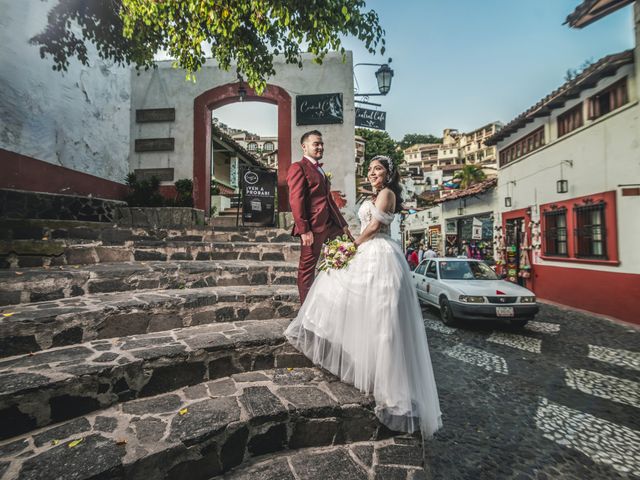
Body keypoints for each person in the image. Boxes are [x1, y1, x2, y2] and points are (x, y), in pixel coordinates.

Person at [285, 155, 442, 440]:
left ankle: (394, 391)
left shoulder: (388, 194)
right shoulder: (374, 194)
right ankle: (362, 361)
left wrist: (350, 247)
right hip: (367, 251)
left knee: (383, 321)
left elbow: (372, 229)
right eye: (369, 170)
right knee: (343, 292)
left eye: (377, 169)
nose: (372, 173)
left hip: (380, 255)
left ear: (388, 174)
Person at [286, 130, 352, 304]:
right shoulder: (298, 167)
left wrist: (343, 225)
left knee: (347, 254)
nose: (320, 147)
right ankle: (306, 312)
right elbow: (296, 200)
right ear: (304, 146)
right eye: (316, 144)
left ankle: (338, 300)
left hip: (331, 225)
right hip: (313, 228)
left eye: (321, 144)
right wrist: (304, 230)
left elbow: (329, 200)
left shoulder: (320, 169)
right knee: (307, 269)